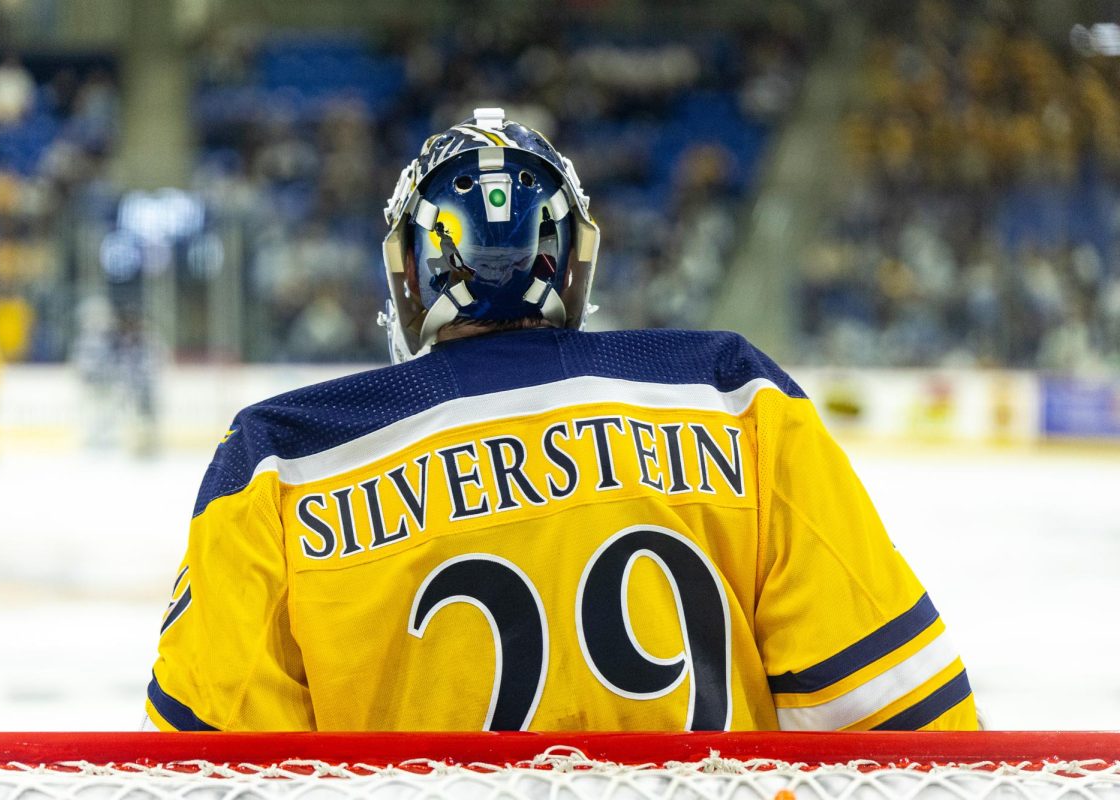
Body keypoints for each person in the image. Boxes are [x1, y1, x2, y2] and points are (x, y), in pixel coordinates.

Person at [145, 109, 976, 732]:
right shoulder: (737, 396)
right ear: (572, 264)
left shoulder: (278, 461)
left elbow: (205, 771)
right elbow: (902, 727)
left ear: (411, 273)